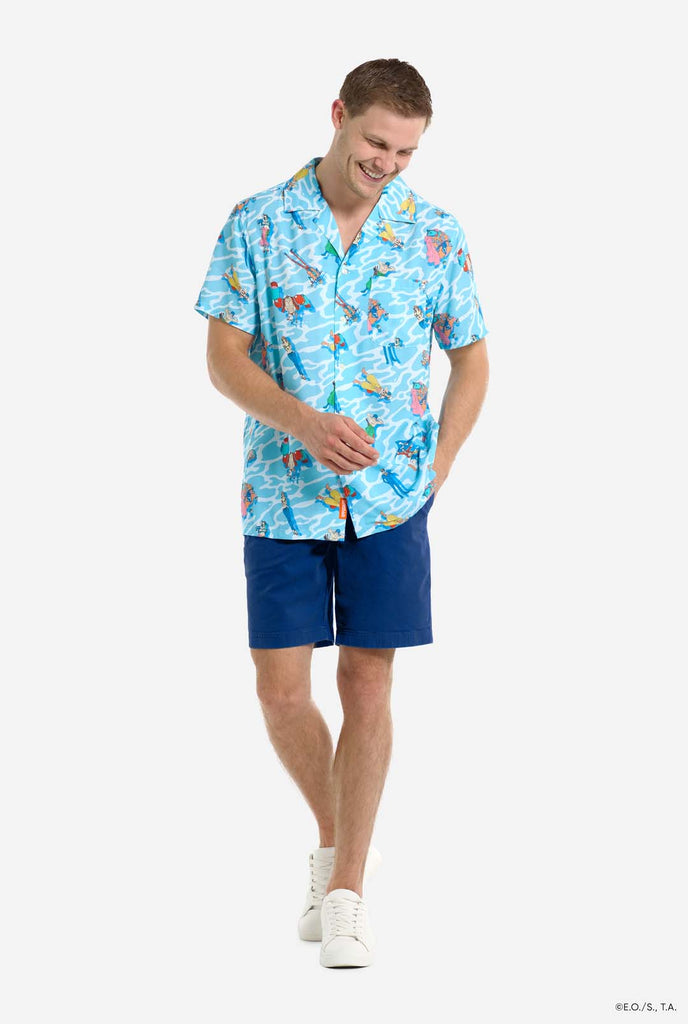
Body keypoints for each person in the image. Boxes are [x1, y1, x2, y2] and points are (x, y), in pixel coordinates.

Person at [194, 58, 490, 968]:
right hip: (281, 492)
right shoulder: (256, 222)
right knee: (279, 690)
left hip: (391, 501)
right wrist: (303, 423)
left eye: (404, 152)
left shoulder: (434, 235)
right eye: (375, 142)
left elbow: (472, 359)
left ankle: (349, 891)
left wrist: (438, 465)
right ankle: (336, 841)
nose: (386, 163)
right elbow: (224, 359)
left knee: (367, 683)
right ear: (337, 115)